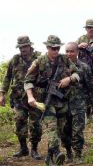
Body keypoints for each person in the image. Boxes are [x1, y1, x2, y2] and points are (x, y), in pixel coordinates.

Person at [24, 35, 79, 166]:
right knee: (51, 126)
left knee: (59, 130)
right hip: (45, 101)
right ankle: (57, 152)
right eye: (52, 48)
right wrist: (30, 97)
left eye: (57, 48)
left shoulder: (64, 60)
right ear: (47, 47)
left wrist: (69, 79)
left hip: (61, 100)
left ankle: (49, 158)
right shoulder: (39, 62)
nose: (55, 51)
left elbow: (77, 74)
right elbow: (27, 81)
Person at [0, 36, 42, 160]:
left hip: (35, 96)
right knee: (19, 121)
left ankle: (34, 149)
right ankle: (23, 148)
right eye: (21, 47)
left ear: (30, 46)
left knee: (35, 124)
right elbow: (7, 77)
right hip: (18, 97)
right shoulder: (15, 59)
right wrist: (2, 94)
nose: (23, 49)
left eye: (25, 46)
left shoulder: (39, 58)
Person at [62, 42, 93, 163]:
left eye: (71, 51)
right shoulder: (59, 67)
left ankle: (78, 154)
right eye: (67, 51)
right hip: (62, 105)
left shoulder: (84, 67)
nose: (69, 54)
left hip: (79, 104)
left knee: (77, 130)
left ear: (77, 52)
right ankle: (68, 153)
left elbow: (91, 88)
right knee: (64, 130)